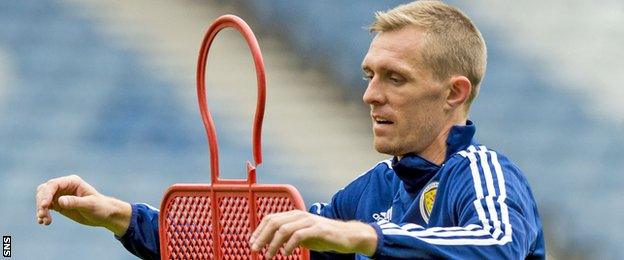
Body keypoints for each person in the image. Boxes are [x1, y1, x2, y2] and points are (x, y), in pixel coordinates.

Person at [36, 1, 545, 259]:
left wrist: (362, 237)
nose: (370, 94)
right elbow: (246, 245)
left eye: (395, 78)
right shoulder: (371, 191)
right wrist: (121, 218)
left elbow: (497, 246)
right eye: (369, 75)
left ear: (454, 93)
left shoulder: (481, 174)